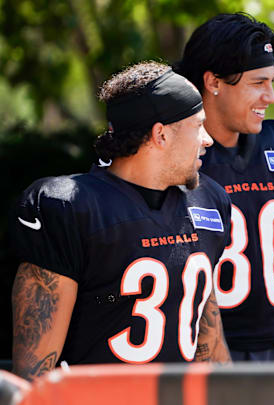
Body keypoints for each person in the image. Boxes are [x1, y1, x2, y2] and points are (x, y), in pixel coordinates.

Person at [10, 61, 231, 381]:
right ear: (161, 134)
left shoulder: (208, 200)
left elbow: (207, 338)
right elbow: (34, 372)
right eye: (198, 125)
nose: (208, 139)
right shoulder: (69, 207)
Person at [175, 13, 274, 362]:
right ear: (214, 82)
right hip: (195, 354)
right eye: (258, 83)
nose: (271, 96)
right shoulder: (173, 156)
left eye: (272, 81)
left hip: (270, 352)